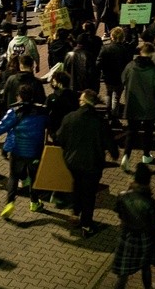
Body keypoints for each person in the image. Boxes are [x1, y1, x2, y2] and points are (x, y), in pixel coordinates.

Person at [0, 84, 48, 218]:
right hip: (36, 150)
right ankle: (34, 202)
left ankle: (10, 202)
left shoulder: (14, 111)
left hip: (18, 150)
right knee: (34, 177)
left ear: (19, 96)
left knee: (14, 177)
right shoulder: (42, 111)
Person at [56, 89, 119, 237]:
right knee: (89, 194)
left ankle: (75, 212)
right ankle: (86, 224)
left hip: (72, 162)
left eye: (80, 100)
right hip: (93, 164)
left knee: (77, 185)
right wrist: (114, 153)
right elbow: (110, 143)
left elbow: (60, 138)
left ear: (84, 102)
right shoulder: (100, 122)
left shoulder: (70, 117)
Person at [111, 163, 155, 289]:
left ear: (135, 179)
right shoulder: (149, 201)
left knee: (123, 272)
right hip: (143, 238)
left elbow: (118, 211)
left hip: (127, 236)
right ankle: (148, 287)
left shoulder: (123, 196)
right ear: (148, 181)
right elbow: (154, 224)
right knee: (145, 266)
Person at [120, 43, 155, 171]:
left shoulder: (130, 66)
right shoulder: (154, 70)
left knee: (131, 132)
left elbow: (123, 79)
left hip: (133, 103)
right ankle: (146, 155)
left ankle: (126, 157)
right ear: (151, 54)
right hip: (149, 105)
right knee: (148, 132)